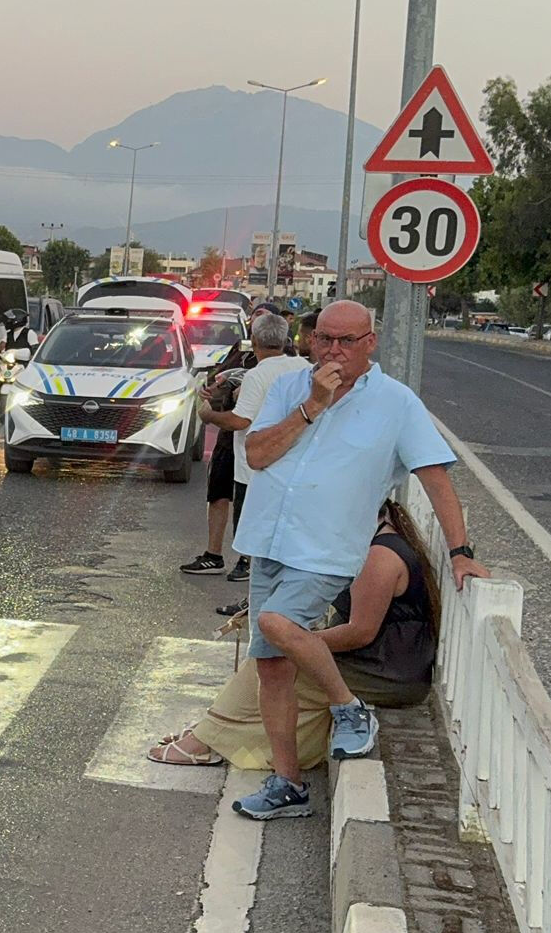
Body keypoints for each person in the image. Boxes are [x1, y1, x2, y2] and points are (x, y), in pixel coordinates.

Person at [229, 300, 485, 820]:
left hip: (327, 549)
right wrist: (312, 406)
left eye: (346, 341)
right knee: (272, 666)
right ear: (310, 339)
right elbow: (256, 455)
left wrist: (460, 552)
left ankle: (349, 708)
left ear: (370, 343)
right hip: (268, 539)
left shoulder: (397, 403)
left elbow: (435, 479)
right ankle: (288, 785)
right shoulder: (290, 387)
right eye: (324, 338)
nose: (333, 350)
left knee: (278, 623)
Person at [150, 497, 439, 769]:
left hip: (388, 673)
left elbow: (360, 633)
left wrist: (299, 641)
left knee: (272, 661)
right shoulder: (372, 541)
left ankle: (206, 739)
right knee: (271, 659)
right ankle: (212, 732)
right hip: (378, 661)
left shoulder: (379, 557)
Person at [185, 313, 294, 579]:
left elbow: (239, 419)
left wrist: (208, 415)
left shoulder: (281, 367)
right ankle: (217, 556)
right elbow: (220, 377)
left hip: (252, 445)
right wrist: (219, 386)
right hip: (239, 442)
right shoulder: (244, 353)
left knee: (249, 508)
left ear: (255, 339)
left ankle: (248, 565)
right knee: (221, 493)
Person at [0, 307, 39, 423]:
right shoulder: (8, 334)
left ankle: (31, 410)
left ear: (17, 320)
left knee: (28, 386)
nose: (7, 322)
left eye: (10, 320)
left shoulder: (29, 333)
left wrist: (31, 359)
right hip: (10, 365)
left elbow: (35, 349)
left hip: (24, 366)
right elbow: (2, 345)